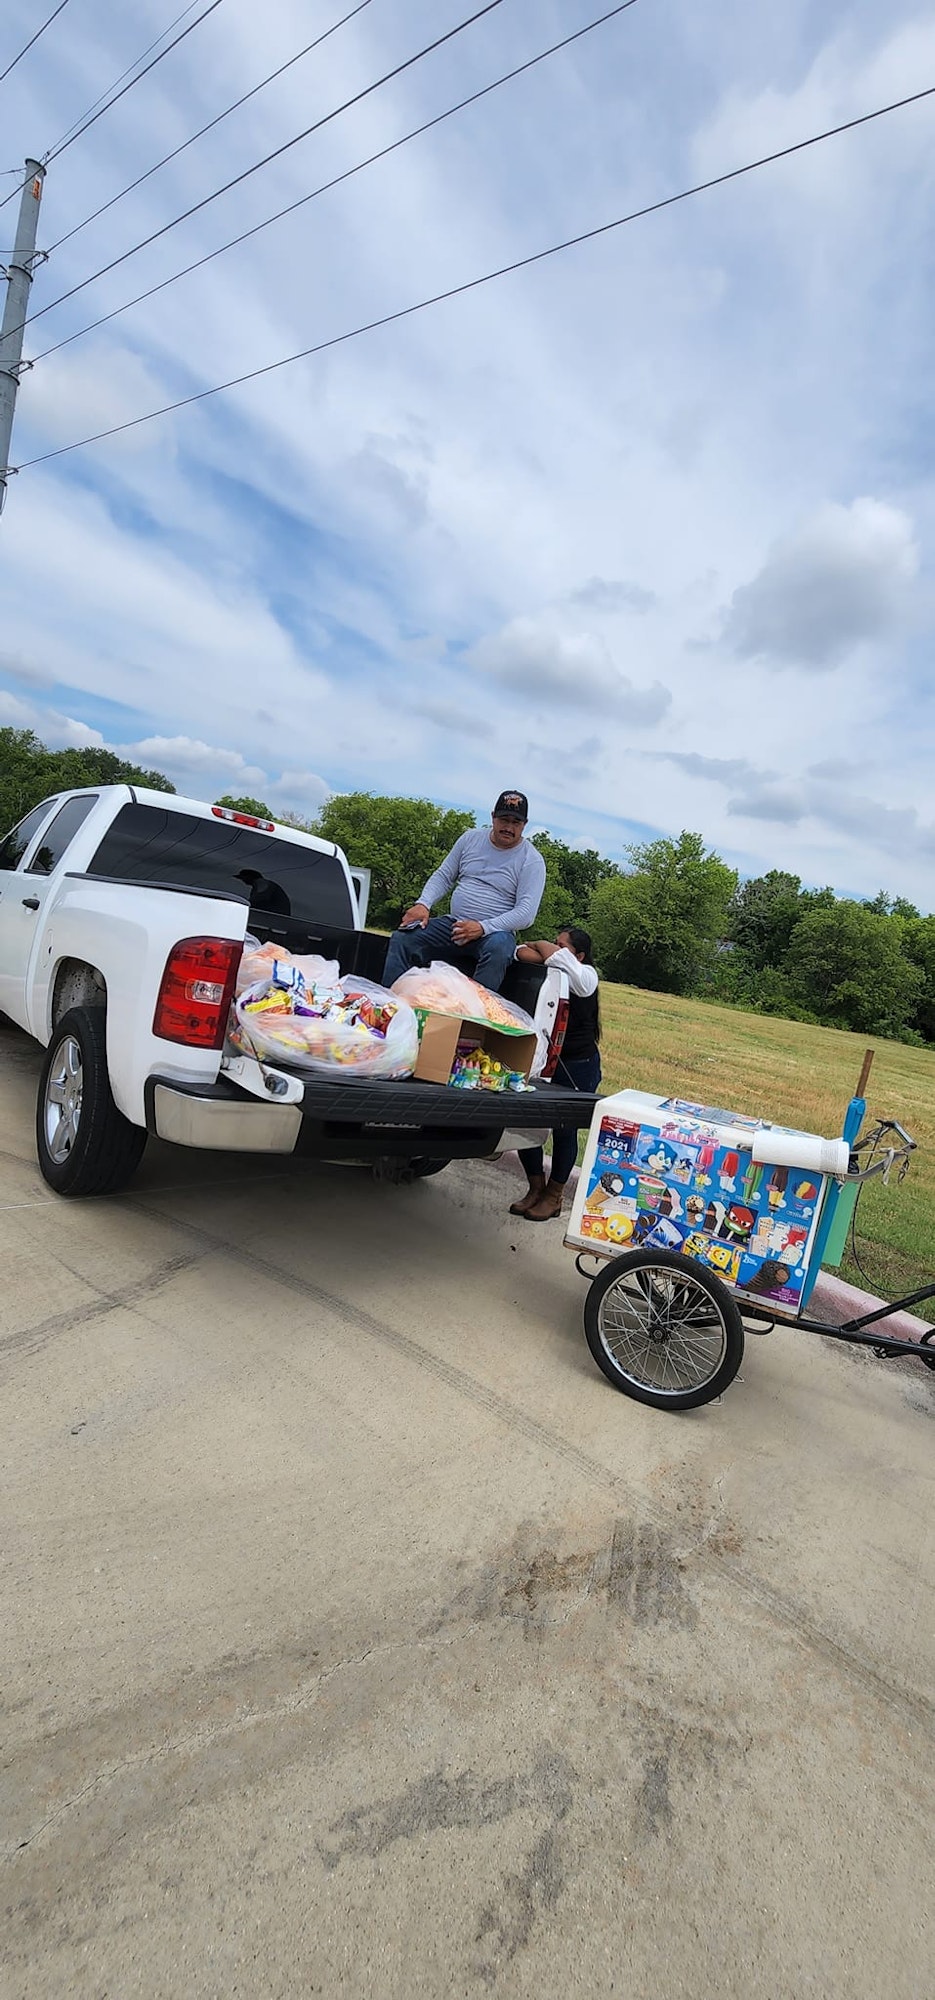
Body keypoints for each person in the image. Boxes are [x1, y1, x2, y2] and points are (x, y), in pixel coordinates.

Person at [383, 791, 546, 994]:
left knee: (499, 948)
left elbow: (526, 913)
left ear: (524, 824)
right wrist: (423, 903)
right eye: (504, 820)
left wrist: (482, 928)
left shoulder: (532, 860)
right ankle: (391, 1003)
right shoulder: (470, 839)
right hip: (455, 924)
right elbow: (444, 875)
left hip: (494, 933)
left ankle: (473, 1014)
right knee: (404, 938)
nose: (509, 827)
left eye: (516, 822)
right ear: (493, 816)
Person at [510, 926, 602, 1222]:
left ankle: (554, 1195)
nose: (555, 948)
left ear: (580, 956)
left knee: (565, 1130)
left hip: (578, 1064)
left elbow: (544, 953)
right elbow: (520, 953)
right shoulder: (558, 967)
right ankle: (535, 1188)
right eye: (555, 943)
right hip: (545, 1062)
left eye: (563, 946)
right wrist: (542, 949)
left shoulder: (583, 978)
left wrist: (540, 943)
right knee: (527, 1125)